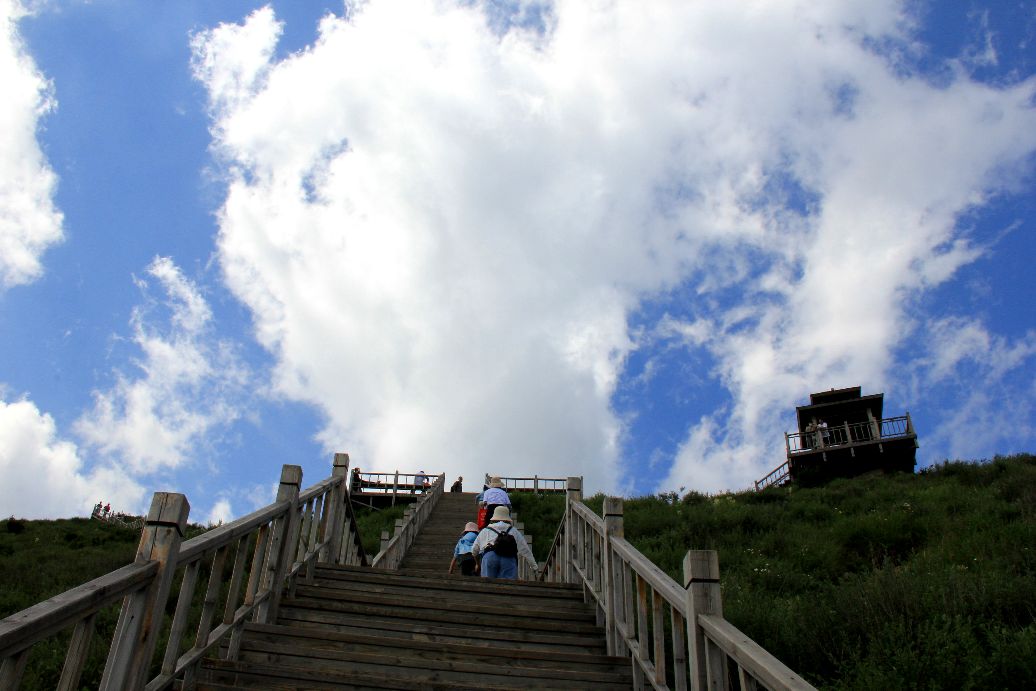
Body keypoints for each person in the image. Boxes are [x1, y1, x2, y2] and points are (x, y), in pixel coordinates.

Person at [471, 506, 536, 580]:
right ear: (507, 518)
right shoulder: (514, 530)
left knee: (488, 586)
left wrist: (477, 563)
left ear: (494, 518)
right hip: (509, 558)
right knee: (508, 587)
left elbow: (474, 550)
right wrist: (534, 567)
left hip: (489, 557)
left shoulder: (485, 530)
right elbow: (525, 550)